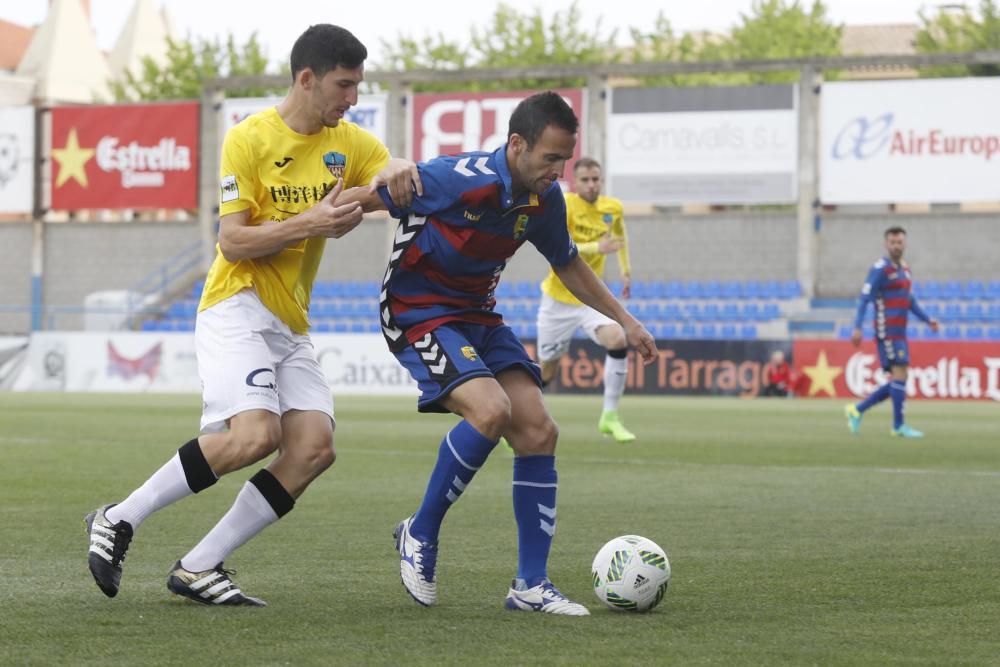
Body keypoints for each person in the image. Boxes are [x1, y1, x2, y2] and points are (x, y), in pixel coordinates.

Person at [84, 24, 420, 606]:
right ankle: (119, 517)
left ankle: (199, 566)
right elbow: (233, 242)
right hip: (235, 303)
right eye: (344, 85)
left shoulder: (351, 143)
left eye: (358, 86)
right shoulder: (249, 139)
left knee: (314, 447)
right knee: (255, 436)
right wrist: (310, 223)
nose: (353, 98)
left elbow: (389, 171)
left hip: (289, 323)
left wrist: (399, 171)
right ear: (307, 78)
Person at [373, 92, 657, 615]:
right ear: (517, 144)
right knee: (491, 410)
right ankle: (419, 532)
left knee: (539, 431)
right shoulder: (456, 178)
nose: (559, 171)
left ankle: (530, 585)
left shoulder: (545, 200)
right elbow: (366, 199)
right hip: (418, 312)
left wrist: (627, 320)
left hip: (478, 317)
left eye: (565, 160)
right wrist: (298, 225)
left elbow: (569, 264)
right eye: (550, 158)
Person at [535, 157, 637, 442]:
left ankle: (610, 416)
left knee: (617, 339)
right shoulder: (563, 204)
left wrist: (626, 271)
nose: (592, 184)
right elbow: (557, 247)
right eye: (585, 180)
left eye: (596, 179)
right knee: (547, 370)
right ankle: (518, 417)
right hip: (558, 299)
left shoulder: (612, 208)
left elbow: (620, 237)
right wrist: (596, 246)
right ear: (576, 182)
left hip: (591, 298)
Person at [845, 226, 939, 438]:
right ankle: (898, 426)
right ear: (886, 244)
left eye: (899, 242)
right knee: (899, 375)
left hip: (900, 332)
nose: (896, 246)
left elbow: (909, 301)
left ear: (905, 244)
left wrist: (927, 319)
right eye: (892, 242)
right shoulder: (880, 269)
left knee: (899, 379)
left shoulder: (905, 269)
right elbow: (864, 299)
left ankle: (857, 410)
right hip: (886, 331)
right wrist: (857, 327)